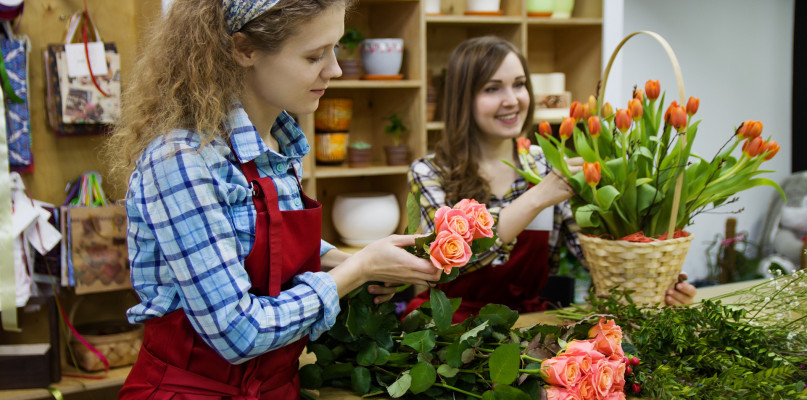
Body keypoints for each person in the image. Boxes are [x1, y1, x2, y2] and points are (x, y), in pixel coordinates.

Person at [106, 1, 441, 398]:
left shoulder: (275, 144)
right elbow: (237, 333)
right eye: (314, 55)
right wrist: (358, 271)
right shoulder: (182, 162)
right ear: (244, 49)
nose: (333, 69)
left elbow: (258, 236)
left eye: (334, 49)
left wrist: (350, 260)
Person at [402, 36, 696, 323]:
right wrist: (537, 197)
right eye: (492, 89)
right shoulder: (429, 172)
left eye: (519, 85)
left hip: (529, 326)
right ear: (462, 99)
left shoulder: (548, 164)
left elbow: (594, 256)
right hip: (447, 326)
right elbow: (438, 267)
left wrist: (659, 283)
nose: (512, 100)